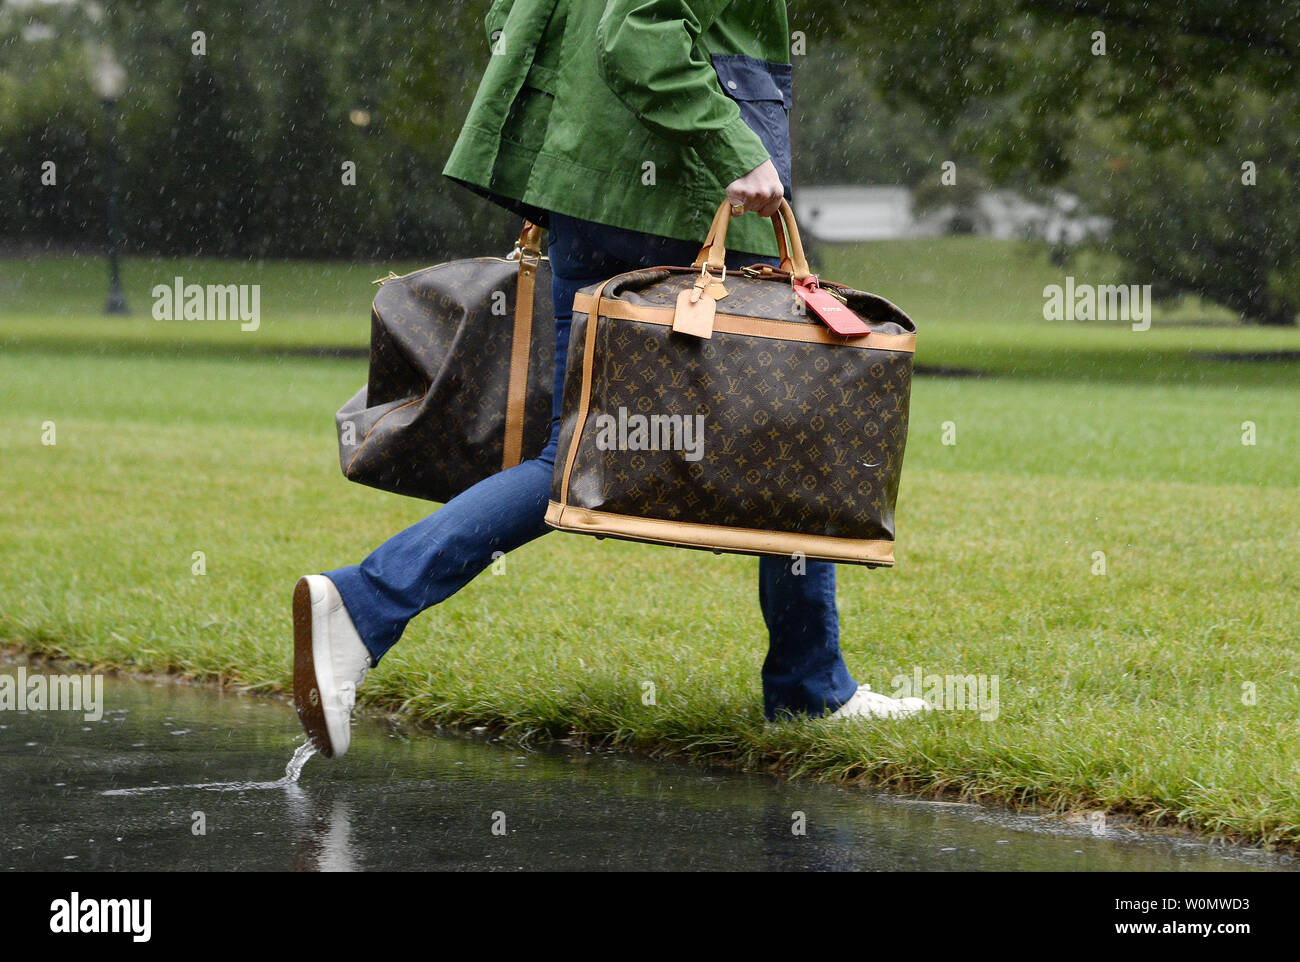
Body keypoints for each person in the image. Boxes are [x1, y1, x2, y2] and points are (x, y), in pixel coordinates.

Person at [293, 0, 925, 759]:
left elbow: (511, 15)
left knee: (580, 449)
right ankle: (365, 603)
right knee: (785, 413)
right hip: (679, 193)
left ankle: (810, 682)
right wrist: (734, 145)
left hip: (589, 189)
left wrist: (581, 119)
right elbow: (636, 29)